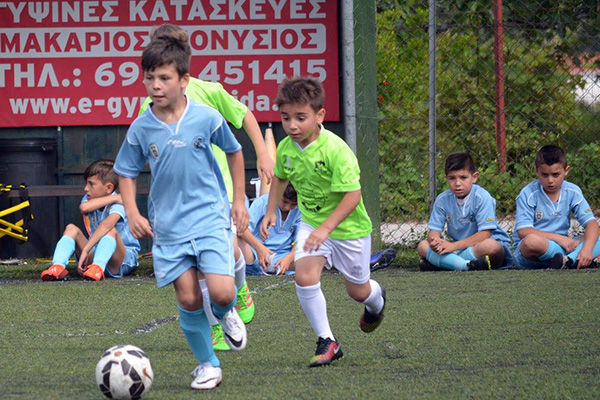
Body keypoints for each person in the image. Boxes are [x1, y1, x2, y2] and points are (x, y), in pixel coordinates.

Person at [114, 33, 249, 390]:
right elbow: (125, 172)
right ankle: (208, 364)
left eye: (164, 78)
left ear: (184, 80)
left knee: (221, 293)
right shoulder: (141, 127)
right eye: (149, 78)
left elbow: (234, 152)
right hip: (169, 226)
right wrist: (132, 212)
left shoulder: (206, 117)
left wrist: (238, 201)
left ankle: (225, 313)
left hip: (209, 217)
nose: (155, 86)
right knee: (188, 297)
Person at [139, 24, 272, 347]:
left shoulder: (208, 91)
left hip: (217, 190)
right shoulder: (148, 107)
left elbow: (244, 116)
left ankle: (239, 288)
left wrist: (263, 154)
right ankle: (214, 328)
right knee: (197, 267)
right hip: (180, 202)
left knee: (228, 252)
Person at [260, 76, 386, 368]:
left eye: (300, 118)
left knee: (358, 291)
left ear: (319, 116)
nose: (292, 125)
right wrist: (269, 211)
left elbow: (353, 196)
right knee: (304, 276)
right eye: (286, 118)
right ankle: (327, 340)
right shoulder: (287, 148)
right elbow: (280, 177)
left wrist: (327, 229)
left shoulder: (336, 150)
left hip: (349, 230)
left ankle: (377, 302)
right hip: (312, 224)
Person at [40, 160, 140, 281]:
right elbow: (84, 207)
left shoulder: (120, 204)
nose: (86, 188)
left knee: (110, 230)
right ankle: (57, 267)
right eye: (86, 183)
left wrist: (86, 250)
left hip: (121, 260)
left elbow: (107, 225)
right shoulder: (92, 198)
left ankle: (97, 268)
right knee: (71, 229)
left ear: (109, 188)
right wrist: (114, 198)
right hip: (96, 251)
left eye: (91, 184)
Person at [417, 152, 513, 271]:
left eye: (463, 177)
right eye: (452, 178)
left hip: (479, 247)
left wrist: (453, 246)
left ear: (474, 177)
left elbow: (485, 235)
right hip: (459, 249)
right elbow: (433, 233)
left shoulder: (482, 197)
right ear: (446, 178)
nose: (457, 183)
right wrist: (435, 242)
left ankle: (445, 263)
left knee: (490, 246)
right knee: (422, 246)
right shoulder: (442, 200)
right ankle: (465, 266)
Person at [513, 145, 600, 269]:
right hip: (535, 253)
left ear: (566, 170)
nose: (550, 180)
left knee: (593, 235)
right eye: (544, 175)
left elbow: (592, 224)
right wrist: (560, 239)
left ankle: (568, 260)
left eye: (555, 175)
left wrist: (587, 249)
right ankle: (575, 259)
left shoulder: (573, 191)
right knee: (531, 241)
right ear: (536, 170)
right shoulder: (528, 194)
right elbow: (523, 231)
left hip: (563, 248)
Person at [240, 182, 301, 276]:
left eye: (293, 204)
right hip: (255, 254)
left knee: (312, 256)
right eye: (284, 202)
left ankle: (280, 268)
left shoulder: (300, 210)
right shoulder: (262, 202)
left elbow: (301, 240)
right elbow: (242, 229)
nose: (288, 207)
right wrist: (259, 248)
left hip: (283, 257)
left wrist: (289, 257)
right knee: (236, 239)